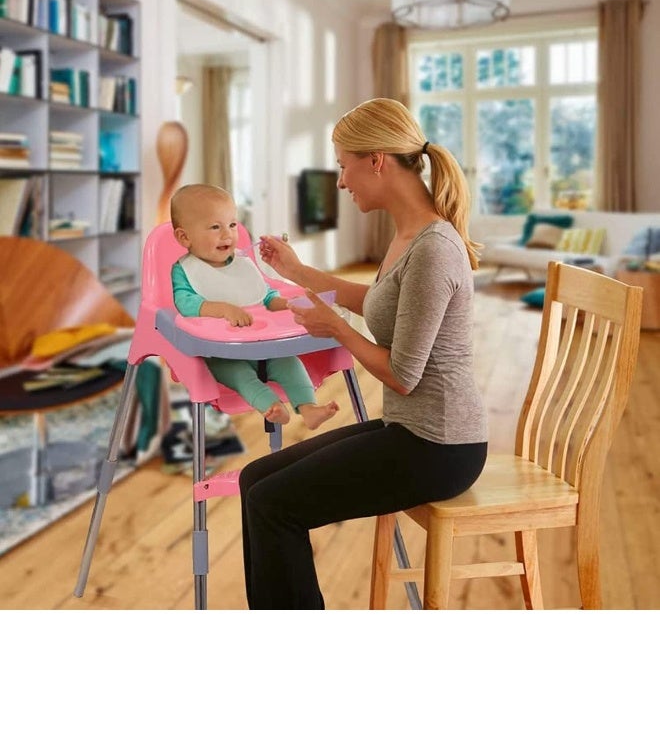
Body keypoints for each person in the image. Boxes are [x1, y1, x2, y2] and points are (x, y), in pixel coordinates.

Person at [239, 97, 488, 609]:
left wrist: (335, 329)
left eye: (342, 166)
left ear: (375, 160)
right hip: (411, 432)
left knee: (272, 504)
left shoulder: (434, 247)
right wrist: (296, 270)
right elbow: (373, 300)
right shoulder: (409, 236)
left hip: (440, 447)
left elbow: (403, 377)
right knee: (254, 478)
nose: (340, 182)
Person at [170, 184, 339, 430]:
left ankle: (308, 408)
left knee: (290, 362)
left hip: (265, 349)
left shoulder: (242, 262)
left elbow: (264, 295)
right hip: (223, 354)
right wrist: (225, 310)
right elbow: (185, 303)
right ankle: (272, 407)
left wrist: (288, 304)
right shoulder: (185, 270)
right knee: (240, 375)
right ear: (185, 237)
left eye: (232, 225)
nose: (227, 234)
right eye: (215, 227)